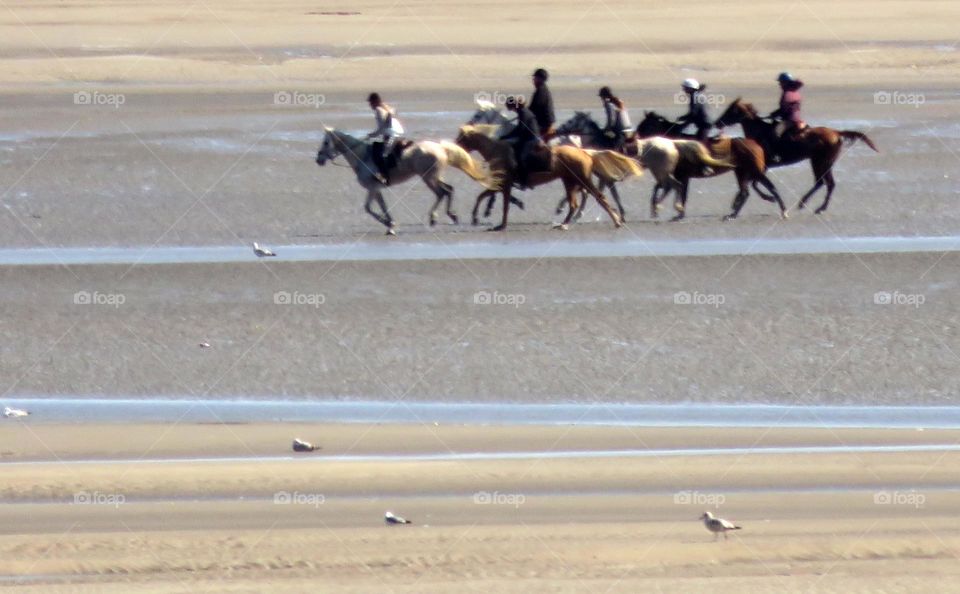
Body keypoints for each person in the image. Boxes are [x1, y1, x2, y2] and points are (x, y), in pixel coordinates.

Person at [500, 96, 540, 188]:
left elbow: (520, 130)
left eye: (509, 106)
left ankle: (525, 180)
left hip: (532, 138)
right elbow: (519, 129)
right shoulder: (521, 111)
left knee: (520, 157)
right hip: (527, 136)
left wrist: (506, 136)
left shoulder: (523, 113)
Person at [365, 92, 405, 185]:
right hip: (395, 132)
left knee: (381, 155)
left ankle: (385, 178)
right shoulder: (385, 107)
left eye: (370, 103)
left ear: (375, 102)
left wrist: (371, 135)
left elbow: (381, 128)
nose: (370, 105)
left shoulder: (379, 110)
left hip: (392, 134)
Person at [769, 72, 806, 139]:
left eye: (781, 82)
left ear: (785, 82)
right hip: (798, 119)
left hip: (790, 120)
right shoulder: (794, 91)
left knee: (775, 133)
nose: (780, 84)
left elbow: (784, 109)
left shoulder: (787, 93)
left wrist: (774, 114)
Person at [599, 86, 632, 150]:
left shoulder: (608, 104)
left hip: (619, 129)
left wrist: (606, 129)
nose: (601, 99)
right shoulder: (617, 102)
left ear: (603, 96)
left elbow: (611, 119)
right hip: (627, 128)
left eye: (601, 97)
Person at [528, 68, 555, 141]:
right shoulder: (543, 89)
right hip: (546, 123)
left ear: (540, 79)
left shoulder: (541, 91)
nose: (533, 80)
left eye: (535, 78)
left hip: (543, 125)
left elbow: (535, 108)